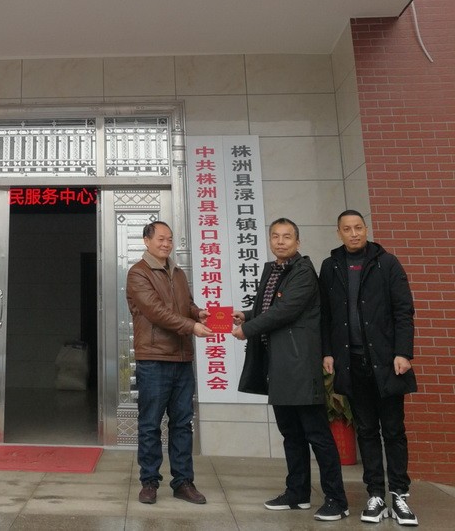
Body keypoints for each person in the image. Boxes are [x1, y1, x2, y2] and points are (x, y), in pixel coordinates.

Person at [233, 217, 349, 522]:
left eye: (287, 236)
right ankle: (297, 493)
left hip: (299, 364)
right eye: (276, 236)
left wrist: (248, 329)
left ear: (298, 241)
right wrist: (246, 316)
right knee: (291, 434)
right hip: (279, 365)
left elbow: (285, 311)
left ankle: (337, 500)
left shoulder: (303, 272)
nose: (281, 241)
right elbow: (268, 307)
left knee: (317, 434)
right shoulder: (273, 270)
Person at [319, 210, 418, 526]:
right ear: (339, 233)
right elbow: (326, 316)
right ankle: (375, 494)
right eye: (347, 229)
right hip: (352, 364)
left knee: (393, 430)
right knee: (366, 431)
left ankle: (399, 495)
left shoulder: (387, 263)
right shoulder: (331, 266)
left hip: (388, 363)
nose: (354, 234)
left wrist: (403, 352)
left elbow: (404, 311)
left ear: (366, 229)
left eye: (358, 228)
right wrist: (328, 352)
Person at [126, 221, 212, 506]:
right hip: (154, 359)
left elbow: (186, 305)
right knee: (150, 424)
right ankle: (149, 482)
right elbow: (156, 312)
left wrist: (199, 314)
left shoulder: (178, 272)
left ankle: (183, 482)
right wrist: (191, 326)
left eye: (170, 239)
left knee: (182, 424)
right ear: (146, 241)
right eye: (161, 239)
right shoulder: (138, 273)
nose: (166, 244)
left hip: (182, 358)